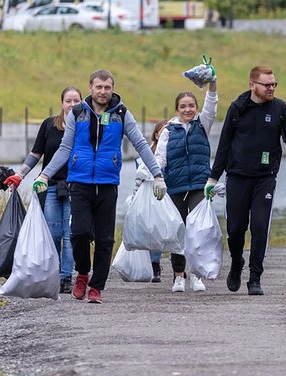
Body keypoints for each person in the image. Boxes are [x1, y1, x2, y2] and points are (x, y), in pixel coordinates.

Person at [32, 70, 167, 304]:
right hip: (80, 182)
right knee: (80, 233)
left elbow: (141, 144)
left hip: (107, 184)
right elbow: (65, 148)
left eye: (107, 87)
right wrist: (44, 175)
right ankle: (82, 272)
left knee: (105, 239)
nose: (103, 91)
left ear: (113, 88)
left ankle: (96, 287)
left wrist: (157, 174)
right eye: (99, 87)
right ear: (91, 88)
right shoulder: (78, 113)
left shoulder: (122, 114)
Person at [204, 65, 286, 296]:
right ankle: (236, 263)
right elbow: (224, 145)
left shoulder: (281, 108)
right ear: (253, 85)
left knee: (260, 227)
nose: (271, 88)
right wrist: (213, 178)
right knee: (235, 229)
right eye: (267, 84)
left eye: (274, 84)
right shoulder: (237, 108)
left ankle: (255, 277)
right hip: (237, 177)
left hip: (265, 178)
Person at [3, 86, 82, 294]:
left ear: (82, 103)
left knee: (70, 234)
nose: (72, 105)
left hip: (76, 186)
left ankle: (66, 277)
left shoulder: (85, 125)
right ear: (61, 103)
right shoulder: (49, 125)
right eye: (68, 101)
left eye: (76, 101)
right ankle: (52, 274)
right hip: (51, 186)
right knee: (52, 234)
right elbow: (36, 153)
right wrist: (20, 175)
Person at [155, 76, 218, 293]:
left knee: (198, 231)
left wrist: (213, 83)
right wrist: (157, 178)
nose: (187, 109)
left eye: (191, 105)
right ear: (177, 109)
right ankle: (178, 276)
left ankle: (196, 275)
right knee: (178, 232)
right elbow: (159, 158)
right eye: (183, 106)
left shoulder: (203, 124)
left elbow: (212, 104)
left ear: (196, 107)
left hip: (200, 186)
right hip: (175, 187)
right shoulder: (168, 131)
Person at [131, 119, 168, 283]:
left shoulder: (173, 151)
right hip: (149, 197)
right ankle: (152, 264)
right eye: (163, 130)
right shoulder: (146, 154)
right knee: (150, 231)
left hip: (167, 195)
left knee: (166, 231)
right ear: (156, 133)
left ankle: (169, 265)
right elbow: (138, 177)